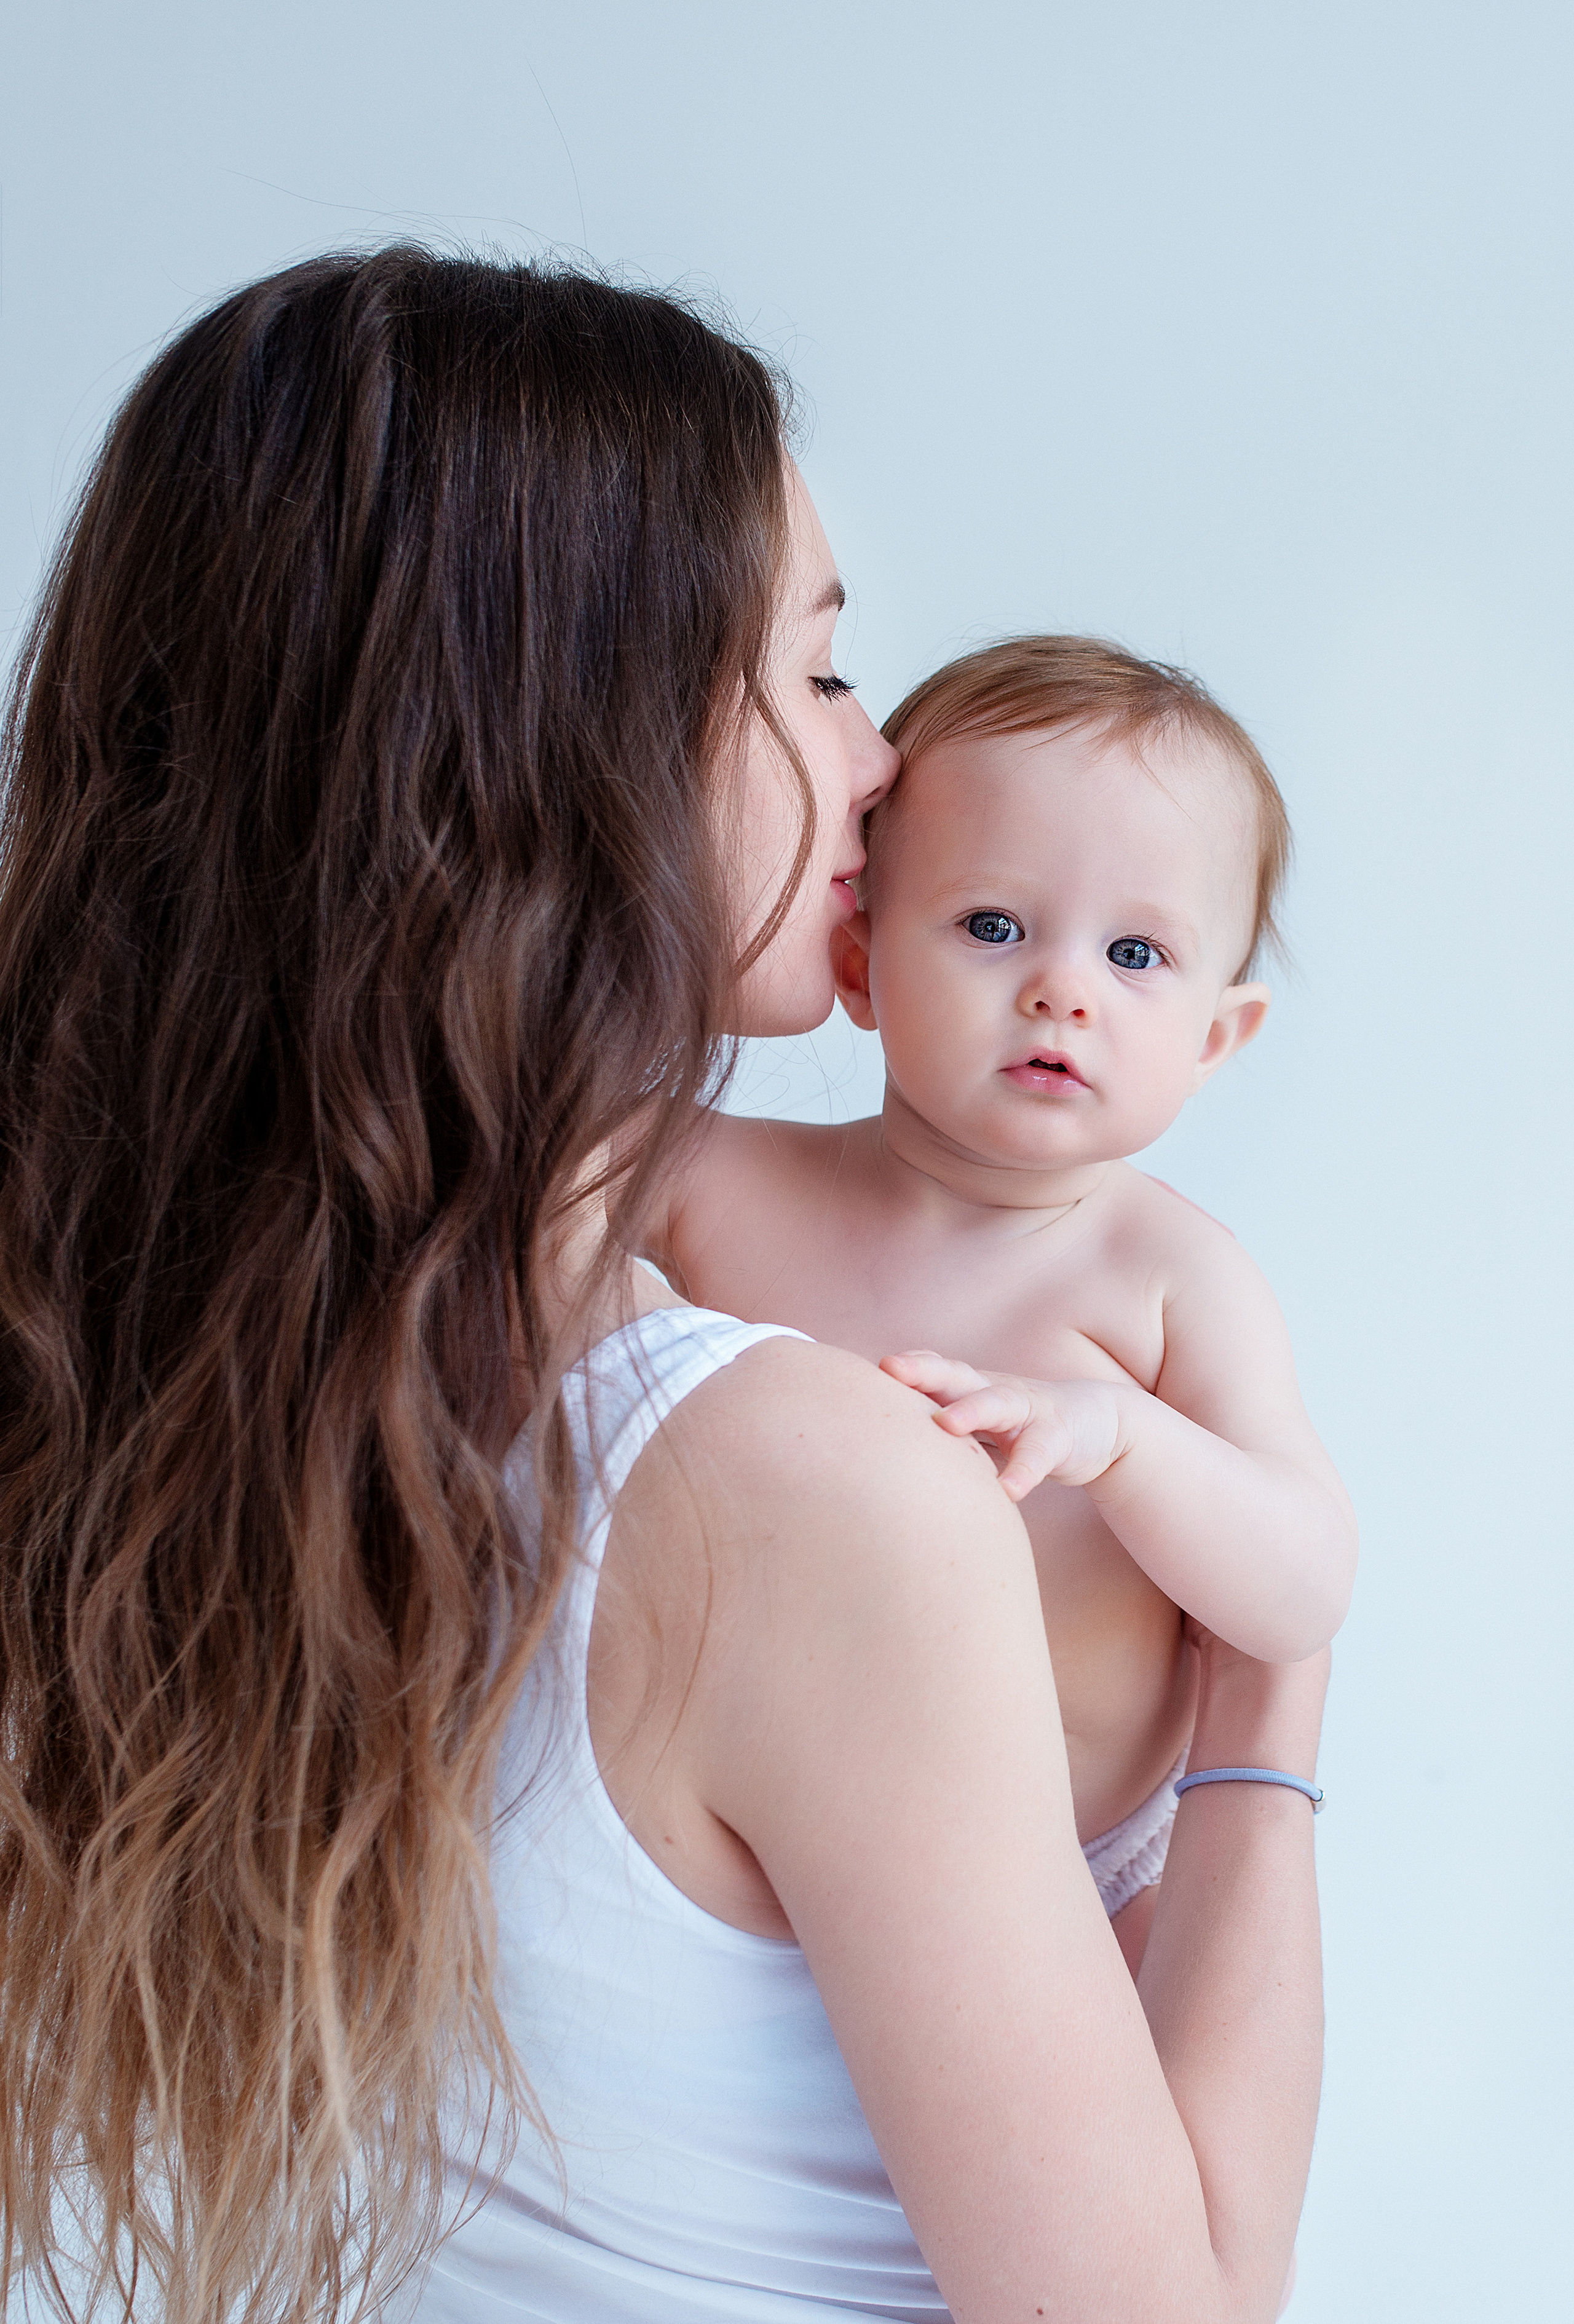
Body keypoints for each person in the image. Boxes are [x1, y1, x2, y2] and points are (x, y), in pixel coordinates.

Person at [0, 247, 1329, 2324]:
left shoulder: (150, 1385)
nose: (884, 762)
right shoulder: (800, 1492)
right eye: (814, 671)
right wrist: (1275, 1691)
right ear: (570, 740)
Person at [640, 635, 1358, 1974]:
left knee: (1126, 2148)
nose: (1060, 988)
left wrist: (1126, 1443)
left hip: (1069, 1875)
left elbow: (1299, 1592)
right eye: (990, 926)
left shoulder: (1160, 1281)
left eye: (1136, 952)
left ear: (1214, 1038)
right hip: (736, 1838)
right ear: (856, 969)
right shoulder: (709, 1185)